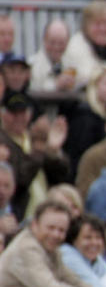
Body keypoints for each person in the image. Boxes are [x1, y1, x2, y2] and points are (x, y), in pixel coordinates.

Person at [0, 90, 70, 220]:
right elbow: (20, 180)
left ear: (30, 114)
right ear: (3, 114)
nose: (19, 118)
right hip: (17, 215)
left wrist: (53, 152)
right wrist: (39, 149)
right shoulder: (3, 143)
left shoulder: (33, 137)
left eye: (23, 113)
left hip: (43, 209)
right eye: (13, 113)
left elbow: (62, 174)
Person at [28, 20, 75, 93]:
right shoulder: (32, 65)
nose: (56, 47)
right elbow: (32, 89)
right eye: (52, 42)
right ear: (44, 40)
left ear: (68, 42)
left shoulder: (72, 63)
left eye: (61, 43)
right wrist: (56, 85)